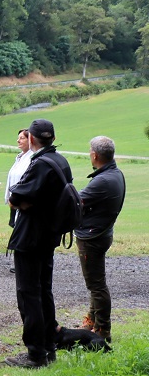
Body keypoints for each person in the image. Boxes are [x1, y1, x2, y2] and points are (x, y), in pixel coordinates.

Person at [6, 119, 71, 368]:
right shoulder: (61, 161)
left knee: (28, 293)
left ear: (31, 139)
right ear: (52, 138)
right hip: (50, 235)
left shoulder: (39, 163)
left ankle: (35, 353)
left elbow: (16, 197)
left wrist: (23, 202)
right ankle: (49, 346)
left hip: (32, 235)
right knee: (44, 290)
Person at [76, 135, 125, 341]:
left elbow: (76, 200)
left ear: (95, 155)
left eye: (90, 152)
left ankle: (103, 331)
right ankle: (92, 321)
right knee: (96, 283)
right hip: (103, 233)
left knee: (96, 285)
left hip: (93, 237)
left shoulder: (103, 180)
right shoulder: (115, 173)